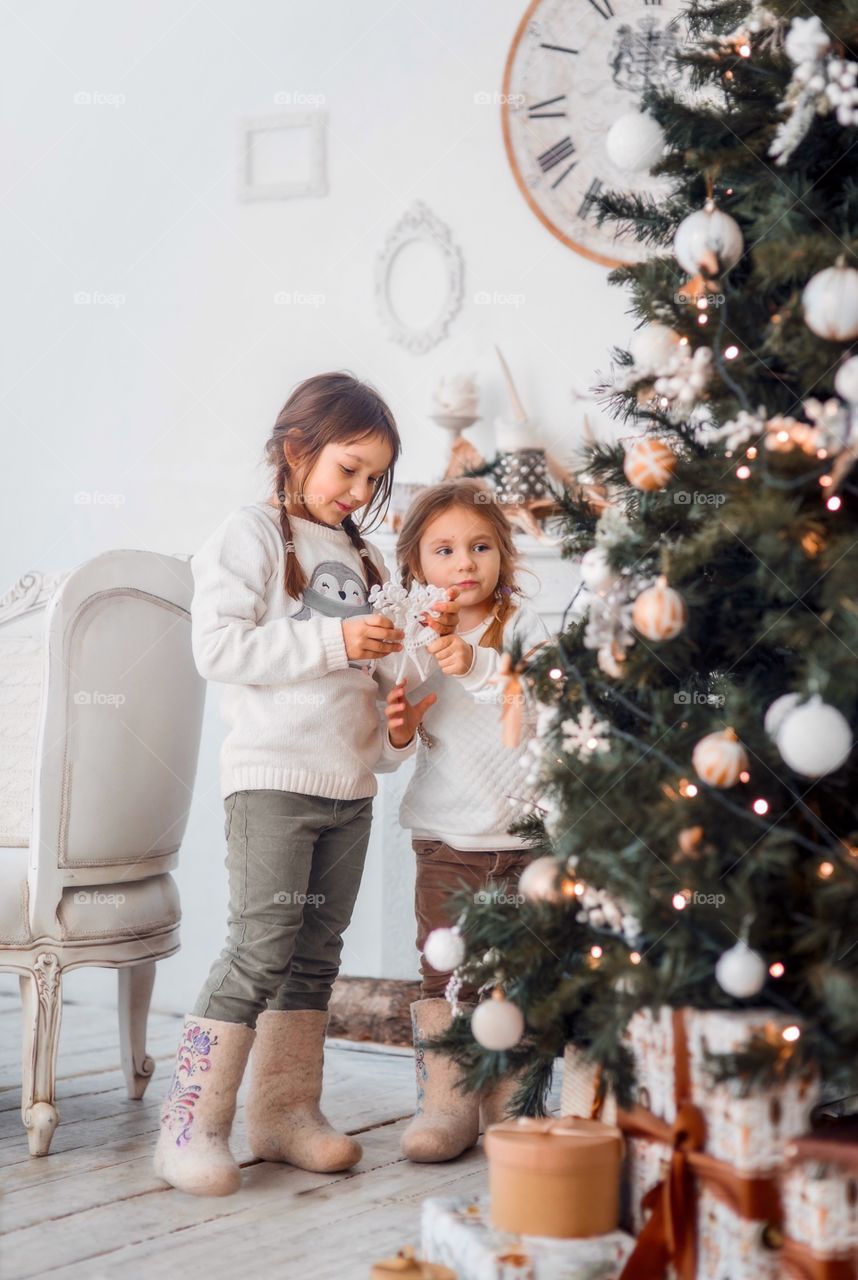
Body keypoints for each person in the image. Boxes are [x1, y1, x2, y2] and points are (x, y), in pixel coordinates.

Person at [153, 372, 454, 1196]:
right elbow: (218, 650)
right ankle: (191, 1128)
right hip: (273, 783)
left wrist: (395, 733)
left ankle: (284, 1115)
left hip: (350, 787)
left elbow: (373, 679)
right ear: (296, 451)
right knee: (259, 949)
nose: (359, 491)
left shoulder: (361, 553)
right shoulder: (249, 533)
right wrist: (338, 643)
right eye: (348, 470)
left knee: (316, 958)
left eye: (373, 478)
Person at [383, 479, 549, 1163]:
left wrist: (478, 659)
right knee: (445, 972)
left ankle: (510, 1100)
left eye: (481, 546)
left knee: (521, 972)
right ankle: (447, 1103)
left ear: (504, 555)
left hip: (526, 836)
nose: (464, 563)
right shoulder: (414, 637)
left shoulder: (528, 628)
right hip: (448, 835)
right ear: (416, 565)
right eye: (444, 550)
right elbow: (401, 733)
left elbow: (534, 706)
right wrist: (395, 730)